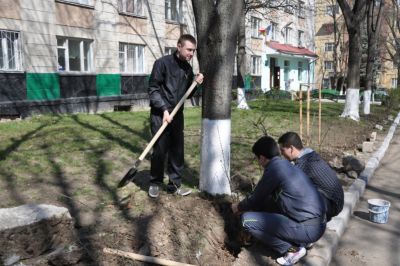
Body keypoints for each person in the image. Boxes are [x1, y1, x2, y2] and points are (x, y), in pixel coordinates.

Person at [231, 136, 326, 265]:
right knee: (266, 205)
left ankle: (292, 249)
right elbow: (264, 200)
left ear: (262, 158)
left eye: (257, 159)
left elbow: (255, 198)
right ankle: (301, 240)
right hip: (318, 224)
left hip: (308, 228)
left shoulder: (274, 169)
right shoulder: (285, 165)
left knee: (247, 220)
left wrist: (239, 207)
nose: (259, 162)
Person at [147, 34, 204, 198]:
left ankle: (174, 185)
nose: (191, 54)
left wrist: (196, 84)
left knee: (177, 150)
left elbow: (188, 94)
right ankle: (155, 182)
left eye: (193, 51)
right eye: (189, 49)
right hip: (161, 113)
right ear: (179, 46)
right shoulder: (162, 63)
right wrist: (164, 109)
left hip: (177, 114)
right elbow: (153, 89)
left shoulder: (187, 68)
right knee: (159, 149)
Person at [278, 132, 344, 222]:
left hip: (332, 204)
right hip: (335, 201)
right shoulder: (310, 156)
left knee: (289, 196)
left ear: (291, 148)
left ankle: (312, 220)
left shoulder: (304, 164)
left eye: (282, 150)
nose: (282, 154)